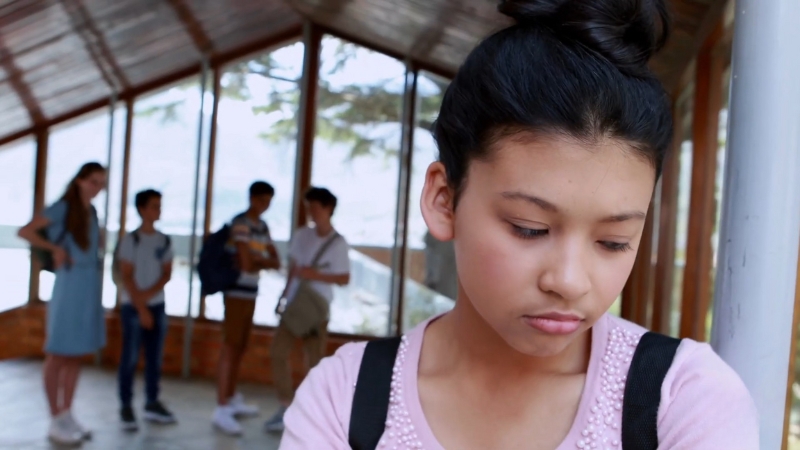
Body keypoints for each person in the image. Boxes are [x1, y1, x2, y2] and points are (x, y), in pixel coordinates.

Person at [279, 1, 759, 448]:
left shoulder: (684, 401)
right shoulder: (345, 399)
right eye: (529, 228)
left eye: (613, 242)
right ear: (444, 200)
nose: (569, 281)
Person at [18, 162, 107, 446]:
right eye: (93, 181)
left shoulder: (90, 211)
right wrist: (55, 249)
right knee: (58, 352)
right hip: (69, 285)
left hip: (89, 285)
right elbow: (27, 231)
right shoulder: (62, 208)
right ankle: (55, 416)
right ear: (79, 181)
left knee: (76, 352)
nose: (97, 187)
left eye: (101, 182)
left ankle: (67, 412)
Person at [263, 187, 351, 433]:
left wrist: (316, 275)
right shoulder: (302, 235)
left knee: (314, 362)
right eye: (308, 207)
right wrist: (283, 296)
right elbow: (293, 269)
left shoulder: (338, 243)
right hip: (297, 302)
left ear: (328, 209)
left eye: (315, 207)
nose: (311, 212)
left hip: (317, 305)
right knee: (280, 352)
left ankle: (310, 415)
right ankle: (288, 406)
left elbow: (344, 278)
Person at [212, 181, 282, 435]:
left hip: (250, 292)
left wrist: (258, 261)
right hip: (236, 292)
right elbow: (245, 263)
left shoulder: (261, 226)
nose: (265, 206)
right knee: (230, 346)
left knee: (240, 345)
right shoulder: (240, 223)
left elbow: (275, 260)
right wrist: (261, 261)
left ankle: (230, 398)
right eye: (262, 200)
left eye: (268, 201)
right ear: (252, 198)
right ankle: (221, 406)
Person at [116, 189, 175, 430]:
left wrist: (150, 299)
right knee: (129, 358)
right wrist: (141, 307)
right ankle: (126, 406)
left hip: (157, 306)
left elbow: (167, 273)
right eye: (153, 206)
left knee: (154, 357)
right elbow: (126, 276)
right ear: (141, 209)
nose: (157, 210)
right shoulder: (131, 240)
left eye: (159, 206)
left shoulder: (164, 240)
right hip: (132, 307)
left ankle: (152, 402)